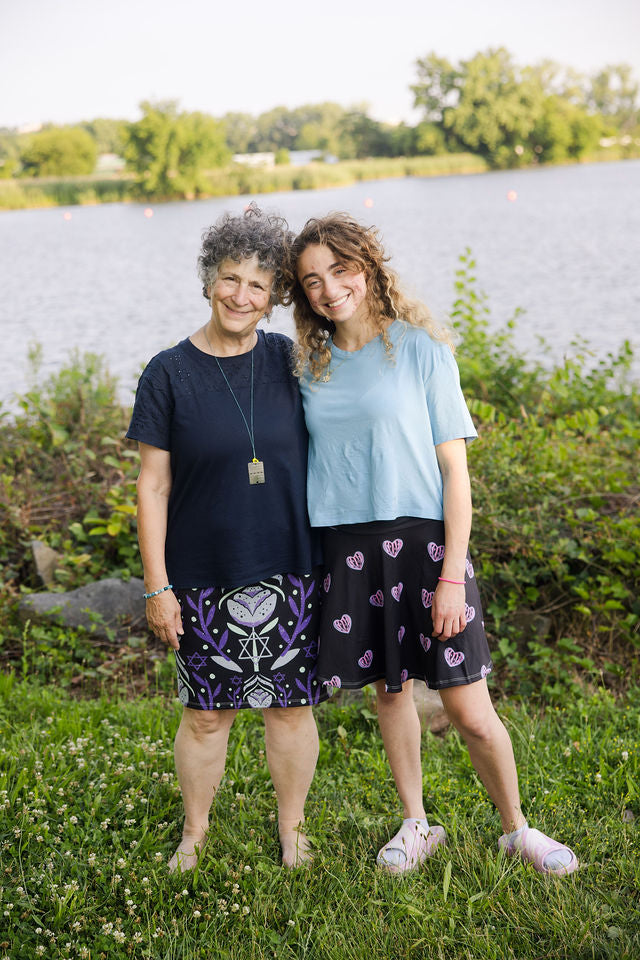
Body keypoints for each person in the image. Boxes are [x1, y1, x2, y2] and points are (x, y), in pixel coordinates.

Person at [285, 212, 578, 877]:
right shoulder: (308, 365)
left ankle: (517, 829)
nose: (329, 289)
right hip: (349, 546)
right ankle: (417, 822)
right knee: (391, 695)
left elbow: (455, 473)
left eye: (340, 269)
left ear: (368, 267)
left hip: (425, 546)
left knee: (469, 709)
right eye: (311, 280)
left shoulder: (419, 348)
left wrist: (451, 574)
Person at [126, 204, 325, 872]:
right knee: (207, 715)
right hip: (202, 574)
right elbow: (152, 487)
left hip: (292, 567)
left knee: (290, 710)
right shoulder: (168, 373)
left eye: (258, 285)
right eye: (231, 278)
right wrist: (158, 586)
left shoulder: (292, 360)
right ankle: (195, 831)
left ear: (275, 298)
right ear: (210, 280)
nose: (242, 294)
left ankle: (292, 828)